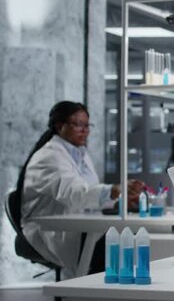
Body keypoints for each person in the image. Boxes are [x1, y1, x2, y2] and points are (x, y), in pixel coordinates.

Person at [18, 101, 143, 276]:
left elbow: (90, 195)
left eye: (87, 125)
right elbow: (74, 194)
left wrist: (119, 202)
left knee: (130, 239)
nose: (85, 131)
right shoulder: (48, 157)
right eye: (78, 125)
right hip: (52, 231)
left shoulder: (80, 154)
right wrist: (114, 190)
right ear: (60, 126)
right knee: (115, 247)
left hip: (80, 225)